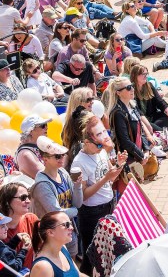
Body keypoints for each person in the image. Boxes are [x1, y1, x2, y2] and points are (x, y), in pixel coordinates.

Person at [71, 113, 126, 276]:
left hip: (109, 206)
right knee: (92, 257)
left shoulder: (101, 152)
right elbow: (83, 196)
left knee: (109, 250)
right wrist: (106, 178)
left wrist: (119, 165)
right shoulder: (79, 162)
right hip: (92, 213)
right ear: (86, 142)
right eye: (98, 145)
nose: (102, 147)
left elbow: (110, 178)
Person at [30, 136, 83, 254]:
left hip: (68, 231)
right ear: (45, 159)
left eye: (63, 155)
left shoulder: (63, 172)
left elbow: (77, 203)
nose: (62, 158)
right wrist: (75, 211)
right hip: (52, 237)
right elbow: (56, 212)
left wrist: (77, 186)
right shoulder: (42, 185)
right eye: (57, 156)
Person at [0, 182, 39, 271]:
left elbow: (45, 245)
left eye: (28, 196)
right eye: (23, 198)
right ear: (7, 202)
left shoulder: (31, 219)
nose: (28, 201)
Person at [29, 211, 80, 277]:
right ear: (50, 232)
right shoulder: (43, 267)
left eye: (70, 224)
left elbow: (78, 274)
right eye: (66, 225)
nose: (71, 228)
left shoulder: (63, 248)